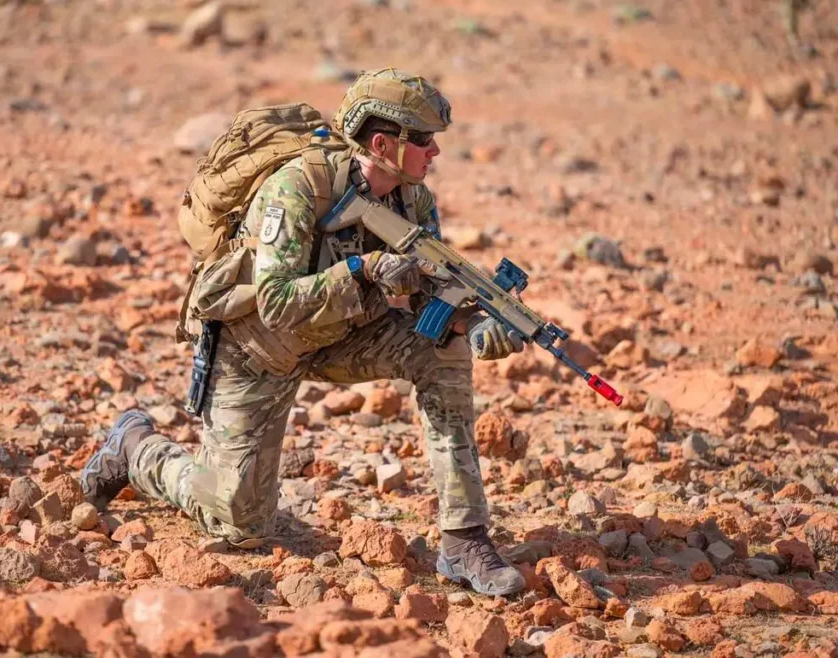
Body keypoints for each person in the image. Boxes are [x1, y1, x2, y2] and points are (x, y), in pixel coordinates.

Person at [79, 69, 527, 597]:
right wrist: (362, 270)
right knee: (239, 524)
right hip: (258, 350)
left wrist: (472, 323)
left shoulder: (414, 201)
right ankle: (136, 448)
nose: (435, 151)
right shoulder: (298, 187)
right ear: (383, 144)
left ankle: (464, 540)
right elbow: (274, 302)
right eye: (424, 139)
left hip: (343, 336)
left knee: (443, 350)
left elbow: (429, 290)